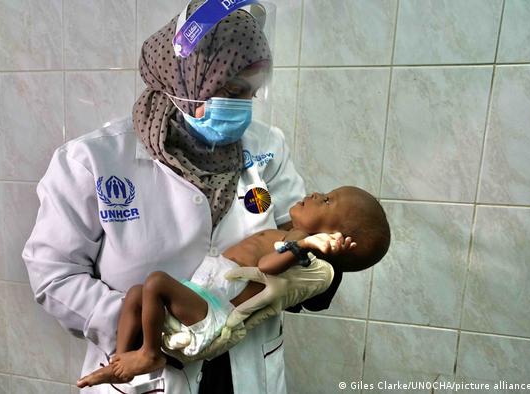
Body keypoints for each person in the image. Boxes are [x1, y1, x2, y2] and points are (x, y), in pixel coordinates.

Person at [23, 3, 341, 393]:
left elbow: (302, 229)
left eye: (250, 94)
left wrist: (309, 276)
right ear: (186, 79)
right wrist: (152, 330)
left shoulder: (267, 147)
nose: (243, 107)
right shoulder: (92, 160)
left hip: (245, 367)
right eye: (231, 90)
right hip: (151, 372)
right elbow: (53, 273)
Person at [76, 186, 390, 388]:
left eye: (327, 200)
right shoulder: (294, 233)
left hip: (215, 311)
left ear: (335, 237)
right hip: (205, 293)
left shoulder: (299, 245)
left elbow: (267, 267)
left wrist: (307, 245)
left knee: (155, 284)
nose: (316, 192)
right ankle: (120, 361)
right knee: (135, 295)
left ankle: (148, 354)